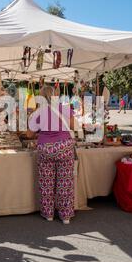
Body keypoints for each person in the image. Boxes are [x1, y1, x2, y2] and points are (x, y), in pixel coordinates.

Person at [28, 85, 75, 225]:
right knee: (65, 182)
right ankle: (65, 216)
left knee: (46, 182)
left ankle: (48, 214)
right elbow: (73, 126)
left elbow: (29, 134)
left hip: (45, 148)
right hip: (64, 147)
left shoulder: (38, 112)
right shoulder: (65, 109)